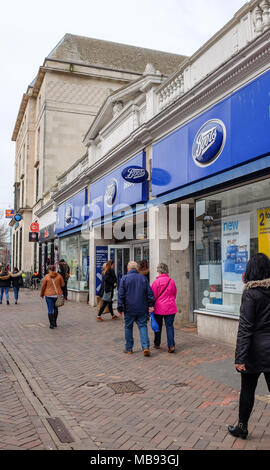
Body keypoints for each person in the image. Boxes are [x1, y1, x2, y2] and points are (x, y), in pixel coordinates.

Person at [228, 253, 270, 440]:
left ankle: (242, 427)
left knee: (248, 389)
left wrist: (240, 357)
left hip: (254, 351)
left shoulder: (250, 293)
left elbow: (245, 327)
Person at [117, 261, 155, 356]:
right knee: (142, 326)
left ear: (128, 268)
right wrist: (150, 305)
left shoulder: (124, 279)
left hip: (129, 308)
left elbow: (121, 294)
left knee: (128, 327)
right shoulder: (143, 278)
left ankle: (129, 348)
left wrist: (120, 307)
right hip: (142, 308)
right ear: (136, 268)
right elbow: (149, 293)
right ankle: (145, 347)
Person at [151, 263, 178, 353]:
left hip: (159, 308)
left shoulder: (156, 282)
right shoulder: (171, 281)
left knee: (158, 326)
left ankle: (157, 343)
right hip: (170, 307)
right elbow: (174, 294)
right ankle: (171, 345)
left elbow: (153, 296)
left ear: (159, 271)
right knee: (169, 326)